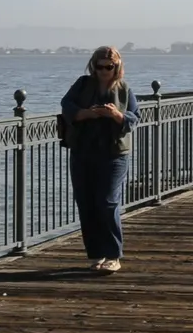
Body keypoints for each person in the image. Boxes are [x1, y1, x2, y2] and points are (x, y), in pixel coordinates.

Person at [60, 46, 139, 274]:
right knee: (86, 203)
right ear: (93, 66)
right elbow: (66, 105)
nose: (104, 71)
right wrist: (86, 113)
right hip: (83, 151)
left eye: (109, 66)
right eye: (100, 66)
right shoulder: (83, 85)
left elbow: (134, 118)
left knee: (107, 201)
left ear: (117, 67)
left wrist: (117, 115)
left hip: (114, 153)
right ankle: (96, 254)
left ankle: (114, 254)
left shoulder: (124, 89)